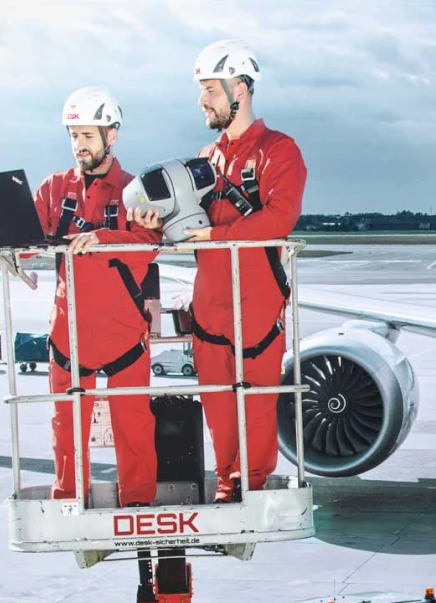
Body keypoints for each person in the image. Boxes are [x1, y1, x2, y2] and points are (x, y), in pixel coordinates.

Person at [183, 40, 307, 502]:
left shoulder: (280, 151)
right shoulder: (207, 157)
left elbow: (280, 218)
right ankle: (224, 480)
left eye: (211, 90)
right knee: (217, 403)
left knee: (255, 403)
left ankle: (251, 485)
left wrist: (215, 238)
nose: (203, 101)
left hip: (255, 306)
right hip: (210, 306)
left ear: (240, 88)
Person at [34, 86, 161, 507]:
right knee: (65, 428)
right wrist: (8, 247)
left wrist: (104, 238)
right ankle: (69, 499)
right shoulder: (53, 189)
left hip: (123, 336)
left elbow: (149, 244)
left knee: (134, 426)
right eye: (74, 136)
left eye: (88, 136)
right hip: (67, 336)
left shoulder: (133, 190)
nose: (79, 146)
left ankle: (138, 502)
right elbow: (26, 236)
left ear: (112, 135)